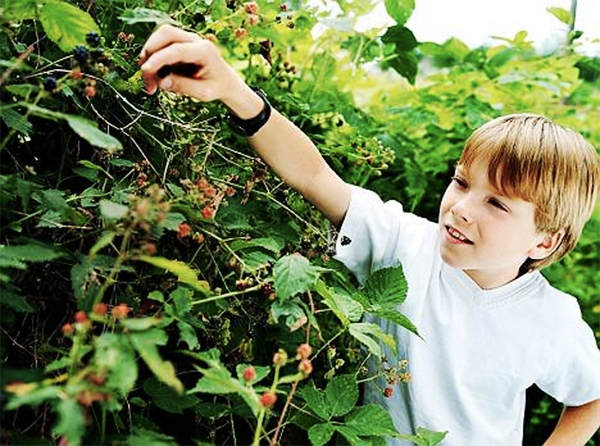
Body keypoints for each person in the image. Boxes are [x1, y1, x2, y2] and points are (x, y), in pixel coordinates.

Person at [139, 25, 600, 445]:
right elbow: (315, 177)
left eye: (496, 204)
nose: (459, 208)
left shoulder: (551, 320)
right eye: (461, 182)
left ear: (545, 241)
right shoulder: (404, 244)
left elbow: (592, 397)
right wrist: (235, 92)